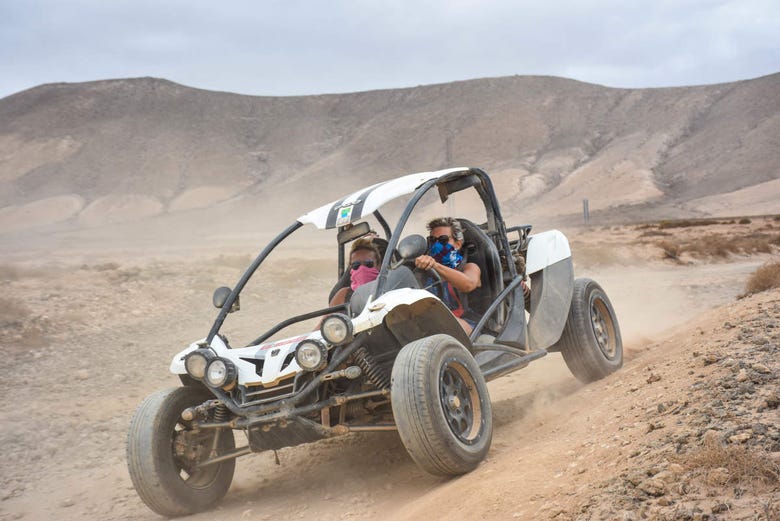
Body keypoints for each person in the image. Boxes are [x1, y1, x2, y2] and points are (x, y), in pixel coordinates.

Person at [415, 217, 481, 333]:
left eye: (443, 240)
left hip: (467, 325)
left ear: (458, 244)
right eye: (432, 240)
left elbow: (468, 284)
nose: (436, 245)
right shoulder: (425, 273)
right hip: (432, 326)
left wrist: (435, 265)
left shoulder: (469, 267)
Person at [329, 238, 382, 307]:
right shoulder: (343, 295)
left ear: (379, 266)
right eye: (356, 265)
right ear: (351, 269)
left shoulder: (388, 291)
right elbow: (330, 317)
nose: (362, 269)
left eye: (368, 263)